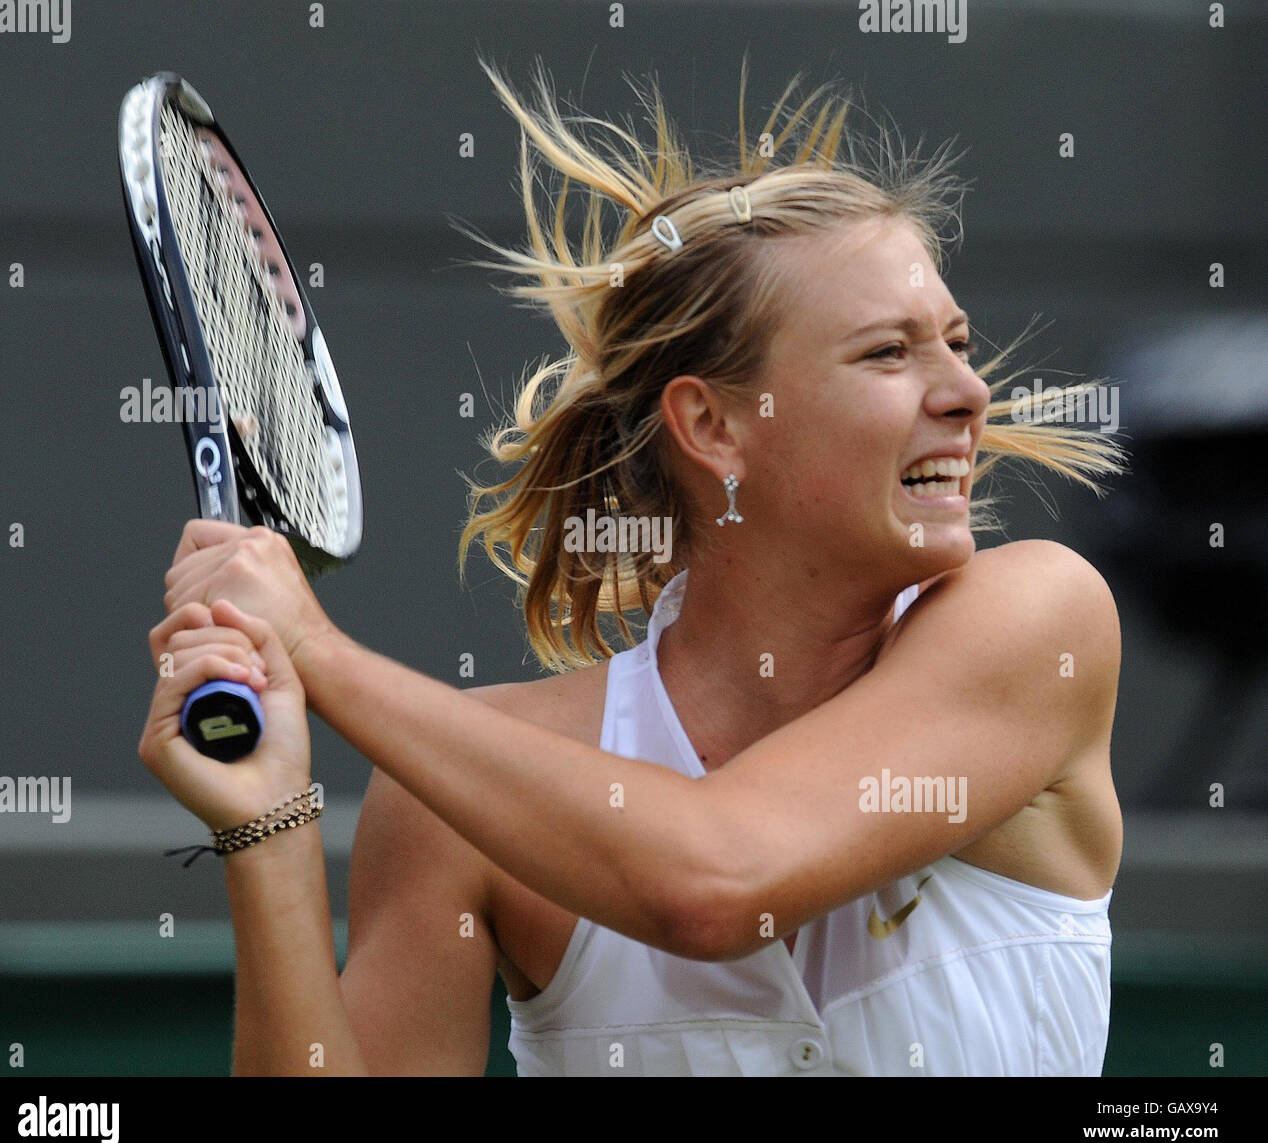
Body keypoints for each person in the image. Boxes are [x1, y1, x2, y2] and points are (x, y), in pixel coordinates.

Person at [139, 59, 1128, 1076]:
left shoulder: (1040, 621)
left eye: (957, 343)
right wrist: (270, 829)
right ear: (713, 425)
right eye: (888, 353)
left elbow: (716, 881)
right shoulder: (453, 798)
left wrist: (320, 653)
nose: (968, 389)